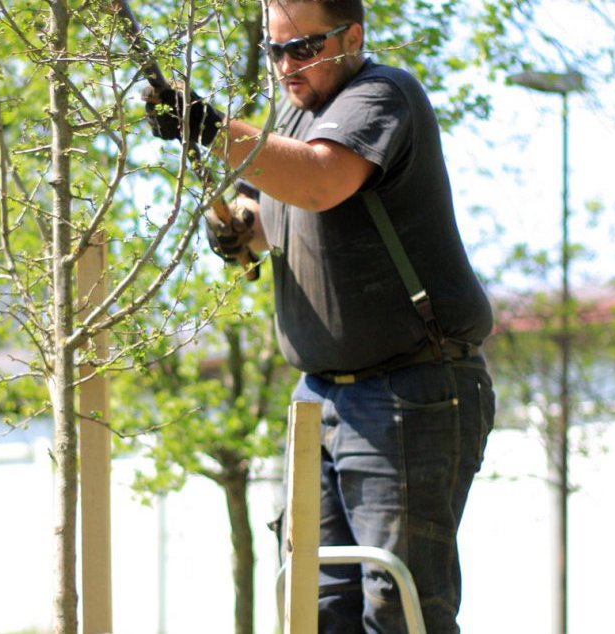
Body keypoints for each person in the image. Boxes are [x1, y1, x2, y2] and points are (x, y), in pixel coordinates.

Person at [142, 1, 495, 632]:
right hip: (319, 398)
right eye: (276, 50)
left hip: (408, 392)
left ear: (352, 37)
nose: (284, 66)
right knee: (314, 607)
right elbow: (261, 215)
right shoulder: (291, 113)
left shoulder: (383, 96)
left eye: (302, 49)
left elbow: (320, 181)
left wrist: (208, 126)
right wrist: (236, 232)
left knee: (400, 607)